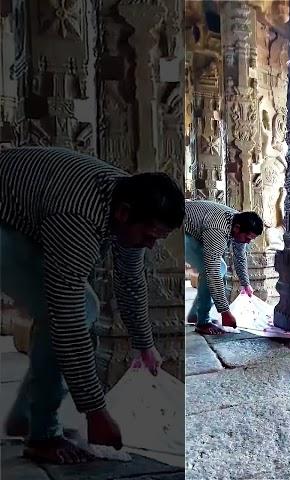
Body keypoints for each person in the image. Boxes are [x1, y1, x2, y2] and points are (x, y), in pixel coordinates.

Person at [0, 147, 185, 464]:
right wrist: (95, 411)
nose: (151, 245)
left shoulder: (127, 201)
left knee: (80, 307)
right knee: (76, 309)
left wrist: (144, 343)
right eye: (150, 235)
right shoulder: (79, 215)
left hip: (24, 212)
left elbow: (130, 278)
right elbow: (67, 318)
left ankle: (31, 418)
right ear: (124, 214)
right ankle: (42, 433)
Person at [184, 200, 263, 335]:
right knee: (217, 269)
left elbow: (240, 256)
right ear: (237, 228)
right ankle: (202, 321)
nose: (248, 242)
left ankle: (197, 315)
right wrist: (225, 312)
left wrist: (246, 284)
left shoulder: (237, 224)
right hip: (181, 230)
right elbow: (212, 272)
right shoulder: (219, 229)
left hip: (195, 229)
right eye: (248, 238)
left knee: (220, 268)